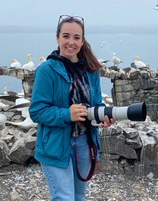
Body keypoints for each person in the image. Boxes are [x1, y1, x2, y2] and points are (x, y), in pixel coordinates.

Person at [29, 15, 115, 201]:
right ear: (57, 38)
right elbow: (37, 111)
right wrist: (67, 114)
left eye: (76, 37)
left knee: (78, 197)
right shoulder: (46, 70)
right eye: (66, 36)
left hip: (85, 142)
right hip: (55, 144)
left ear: (82, 41)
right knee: (64, 198)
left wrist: (102, 117)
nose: (71, 42)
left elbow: (97, 104)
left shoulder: (91, 70)